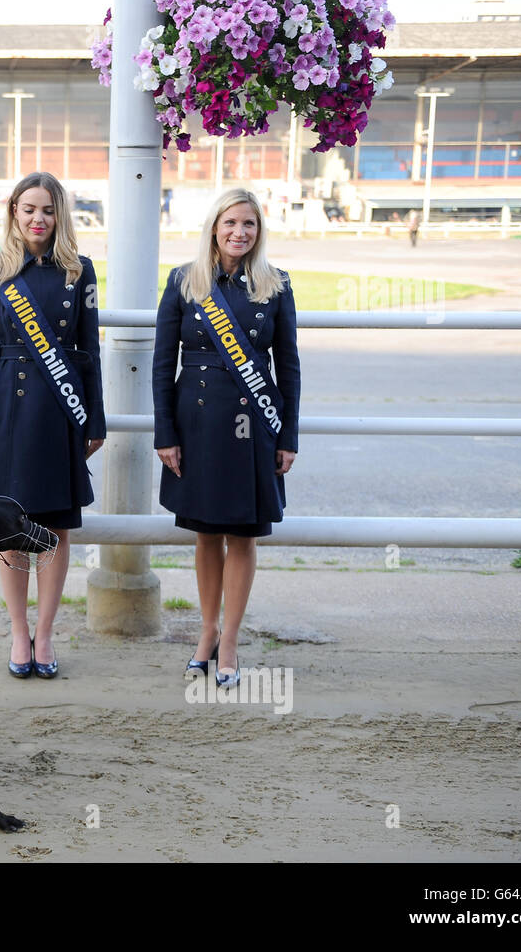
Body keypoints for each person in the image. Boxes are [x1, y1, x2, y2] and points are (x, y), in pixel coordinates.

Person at [152, 188, 301, 689]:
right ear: (214, 226)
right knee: (205, 532)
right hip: (195, 426)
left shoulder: (276, 284)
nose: (240, 232)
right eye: (231, 222)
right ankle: (207, 632)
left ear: (259, 231)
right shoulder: (183, 281)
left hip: (255, 424)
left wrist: (288, 435)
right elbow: (161, 364)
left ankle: (231, 641)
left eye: (250, 224)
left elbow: (290, 367)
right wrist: (165, 433)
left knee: (243, 534)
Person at [0, 172, 106, 680]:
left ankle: (45, 633)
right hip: (8, 408)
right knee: (9, 531)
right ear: (13, 212)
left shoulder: (80, 272)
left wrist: (96, 418)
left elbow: (90, 352)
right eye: (28, 209)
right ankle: (18, 631)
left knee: (54, 528)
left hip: (62, 409)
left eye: (47, 210)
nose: (38, 219)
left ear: (59, 215)